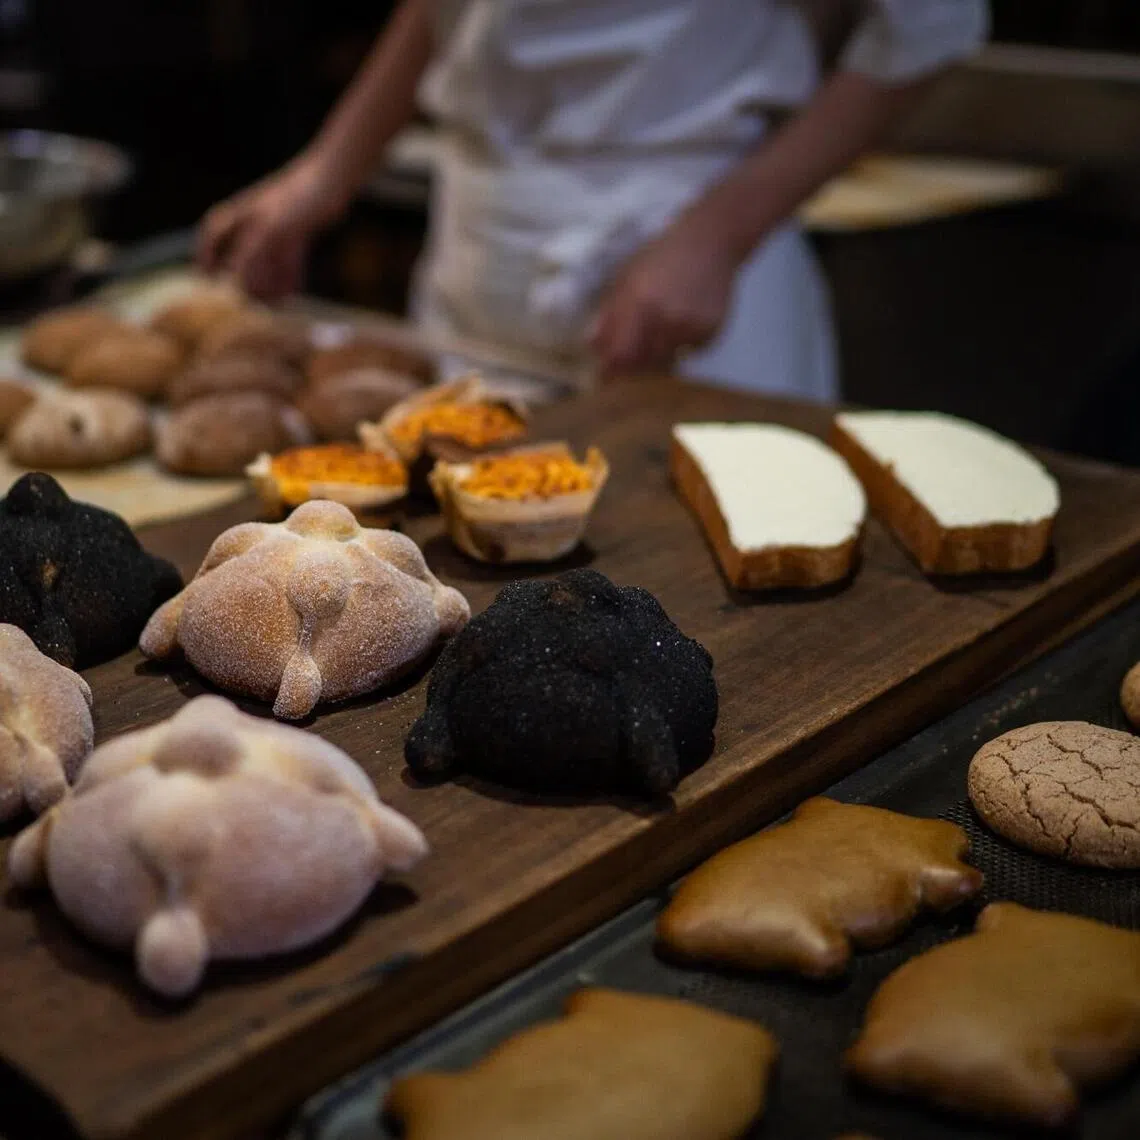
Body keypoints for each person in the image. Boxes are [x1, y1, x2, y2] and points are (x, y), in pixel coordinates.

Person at [198, 0, 989, 399]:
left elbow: (932, 22)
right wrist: (329, 169)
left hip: (682, 253)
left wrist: (717, 236)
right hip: (475, 242)